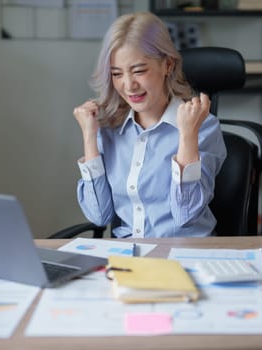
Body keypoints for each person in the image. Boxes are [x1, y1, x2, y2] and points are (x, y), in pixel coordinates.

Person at [74, 12, 226, 238]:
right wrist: (89, 136)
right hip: (128, 258)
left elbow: (185, 215)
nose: (129, 86)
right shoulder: (108, 128)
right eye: (117, 74)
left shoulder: (204, 127)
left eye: (139, 71)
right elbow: (99, 217)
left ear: (167, 65)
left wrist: (187, 136)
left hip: (186, 255)